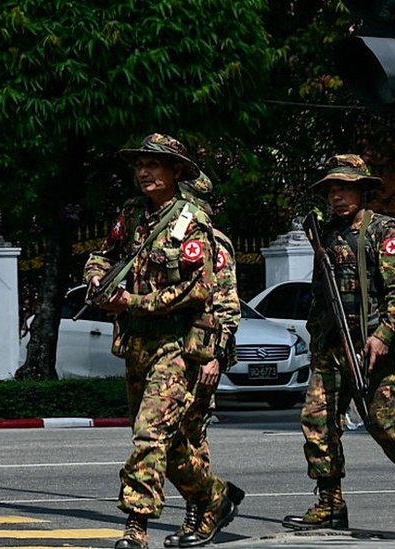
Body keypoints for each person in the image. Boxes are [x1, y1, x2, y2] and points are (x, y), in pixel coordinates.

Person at [281, 155, 395, 537]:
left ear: (363, 191)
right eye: (332, 188)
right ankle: (330, 502)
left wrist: (383, 335)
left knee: (385, 426)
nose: (337, 195)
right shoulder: (327, 235)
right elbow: (321, 297)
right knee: (317, 422)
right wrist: (318, 341)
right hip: (333, 347)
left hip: (374, 346)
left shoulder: (383, 232)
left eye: (344, 187)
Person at [83, 134, 238, 549]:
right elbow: (105, 255)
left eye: (155, 164)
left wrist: (132, 301)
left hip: (178, 346)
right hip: (138, 344)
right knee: (168, 444)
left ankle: (136, 526)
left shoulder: (193, 224)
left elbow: (199, 291)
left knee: (150, 435)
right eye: (140, 165)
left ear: (176, 172)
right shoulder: (132, 215)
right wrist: (97, 278)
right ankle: (213, 497)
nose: (145, 172)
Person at [163, 174, 246, 547]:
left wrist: (215, 357)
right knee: (173, 439)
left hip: (198, 355)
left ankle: (202, 512)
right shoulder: (170, 235)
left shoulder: (214, 243)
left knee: (189, 437)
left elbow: (227, 307)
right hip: (168, 353)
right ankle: (209, 502)